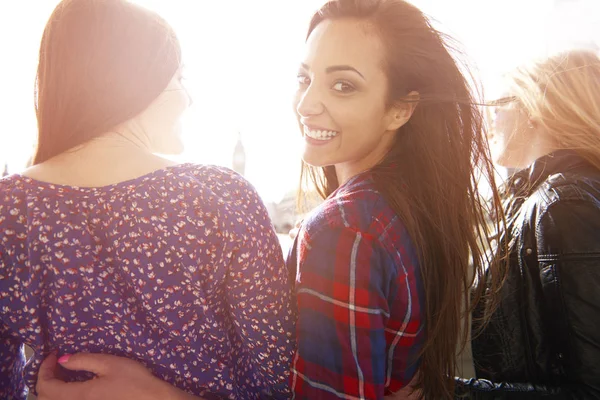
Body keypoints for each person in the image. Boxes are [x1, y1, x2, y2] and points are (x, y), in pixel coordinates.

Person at [37, 0, 505, 399]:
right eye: (305, 79)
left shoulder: (343, 231)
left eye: (343, 85)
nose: (307, 104)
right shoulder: (411, 212)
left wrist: (160, 394)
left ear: (401, 108)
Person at [0, 0, 294, 399]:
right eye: (180, 78)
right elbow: (273, 381)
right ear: (139, 81)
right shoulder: (222, 197)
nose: (188, 99)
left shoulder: (10, 212)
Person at [456, 50, 600, 398]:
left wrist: (443, 391)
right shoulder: (554, 199)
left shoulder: (565, 204)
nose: (487, 120)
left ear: (535, 108)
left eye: (498, 104)